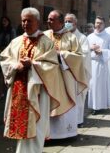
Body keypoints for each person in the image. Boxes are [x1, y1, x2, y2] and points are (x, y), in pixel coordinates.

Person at [0, 7, 69, 153]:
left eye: (29, 21)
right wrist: (15, 65)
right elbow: (5, 60)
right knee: (21, 128)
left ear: (37, 22)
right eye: (23, 21)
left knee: (36, 126)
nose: (25, 24)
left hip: (37, 92)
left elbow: (52, 65)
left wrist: (33, 64)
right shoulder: (16, 41)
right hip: (19, 90)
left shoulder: (46, 42)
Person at [44, 10, 88, 139]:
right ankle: (49, 134)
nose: (48, 22)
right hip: (48, 78)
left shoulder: (71, 37)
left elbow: (79, 57)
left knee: (65, 104)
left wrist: (61, 55)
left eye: (51, 19)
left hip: (65, 79)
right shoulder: (44, 36)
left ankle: (65, 133)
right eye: (48, 19)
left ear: (60, 21)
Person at [64, 13, 91, 126]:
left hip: (77, 74)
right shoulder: (63, 36)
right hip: (65, 73)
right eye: (65, 21)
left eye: (69, 21)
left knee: (78, 97)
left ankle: (78, 120)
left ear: (75, 23)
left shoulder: (82, 38)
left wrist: (69, 56)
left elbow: (84, 54)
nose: (67, 23)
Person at [87, 16, 110, 115]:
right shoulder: (90, 37)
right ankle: (94, 106)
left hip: (101, 64)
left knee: (101, 86)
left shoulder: (108, 37)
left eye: (100, 23)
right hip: (91, 63)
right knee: (92, 86)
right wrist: (91, 48)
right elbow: (84, 50)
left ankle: (101, 106)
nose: (98, 25)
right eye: (96, 23)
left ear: (104, 24)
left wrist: (102, 52)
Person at [0, 16, 16, 100]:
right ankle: (0, 94)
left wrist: (7, 52)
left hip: (9, 54)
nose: (4, 22)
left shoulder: (12, 31)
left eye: (5, 21)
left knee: (8, 74)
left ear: (8, 21)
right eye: (3, 21)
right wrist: (0, 51)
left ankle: (8, 93)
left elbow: (14, 42)